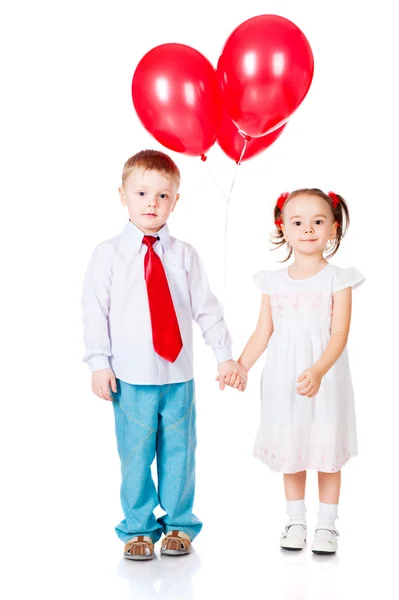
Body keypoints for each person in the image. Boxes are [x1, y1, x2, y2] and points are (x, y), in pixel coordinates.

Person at [82, 149, 247, 560]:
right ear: (122, 195)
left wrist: (224, 355)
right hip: (130, 379)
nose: (152, 203)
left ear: (176, 200)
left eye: (163, 195)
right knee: (135, 455)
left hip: (179, 378)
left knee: (179, 453)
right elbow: (94, 311)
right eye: (141, 193)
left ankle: (179, 524)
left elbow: (207, 308)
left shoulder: (184, 255)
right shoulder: (108, 255)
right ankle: (137, 528)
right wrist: (98, 363)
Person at [222, 188, 364, 554]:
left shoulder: (339, 279)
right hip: (285, 378)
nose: (308, 229)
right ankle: (295, 520)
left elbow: (339, 333)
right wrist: (241, 364)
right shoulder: (273, 282)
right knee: (293, 447)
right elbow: (263, 332)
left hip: (324, 377)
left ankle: (328, 526)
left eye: (318, 222)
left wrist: (318, 370)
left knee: (326, 449)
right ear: (282, 227)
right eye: (297, 222)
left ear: (333, 228)